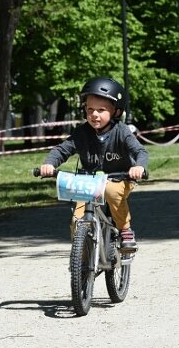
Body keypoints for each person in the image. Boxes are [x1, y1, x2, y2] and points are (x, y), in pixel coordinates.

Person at [39, 77, 149, 251]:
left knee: (111, 191)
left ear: (116, 112)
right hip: (89, 183)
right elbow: (62, 149)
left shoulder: (122, 132)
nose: (94, 114)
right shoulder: (82, 133)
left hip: (119, 178)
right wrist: (49, 164)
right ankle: (82, 260)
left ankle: (125, 230)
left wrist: (139, 167)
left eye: (101, 110)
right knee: (77, 219)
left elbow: (140, 152)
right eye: (90, 109)